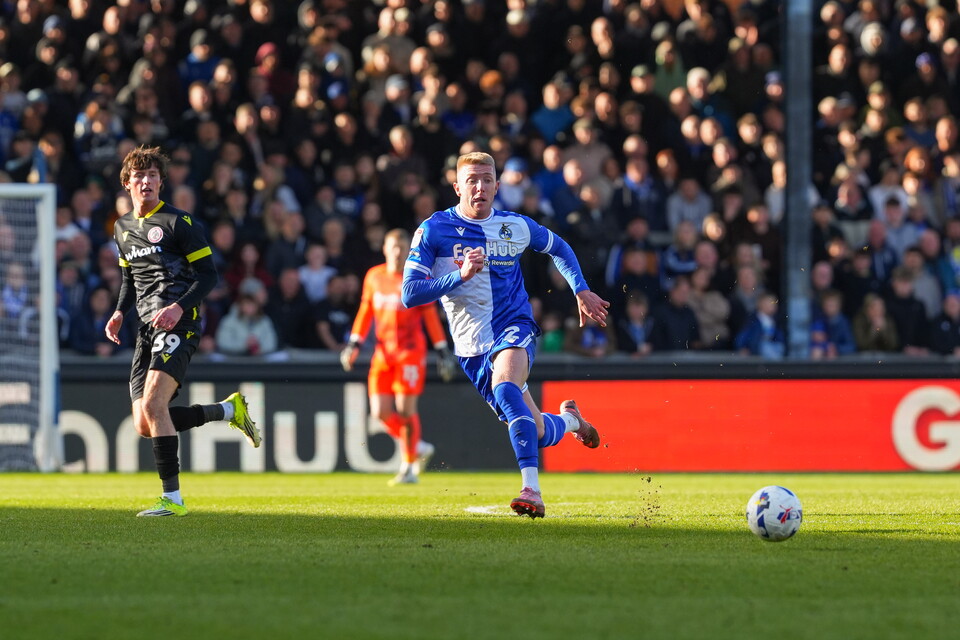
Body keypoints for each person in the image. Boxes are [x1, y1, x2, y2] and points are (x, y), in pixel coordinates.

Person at [401, 152, 609, 518]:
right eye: (471, 180)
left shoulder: (516, 226)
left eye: (486, 179)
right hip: (470, 348)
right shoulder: (434, 230)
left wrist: (580, 288)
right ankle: (574, 420)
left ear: (498, 185)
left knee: (506, 388)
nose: (479, 187)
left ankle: (532, 489)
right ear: (457, 187)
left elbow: (558, 247)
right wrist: (458, 277)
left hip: (515, 327)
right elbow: (410, 293)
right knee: (540, 431)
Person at [105, 146, 261, 518]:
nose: (147, 181)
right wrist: (117, 312)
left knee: (155, 405)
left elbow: (209, 276)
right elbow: (130, 279)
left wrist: (178, 307)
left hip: (181, 320)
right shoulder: (122, 228)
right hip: (146, 329)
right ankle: (227, 411)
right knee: (145, 423)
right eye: (140, 176)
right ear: (127, 183)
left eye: (153, 176)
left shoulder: (179, 223)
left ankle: (172, 500)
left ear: (161, 182)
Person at [341, 228, 456, 485]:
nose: (397, 253)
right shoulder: (374, 276)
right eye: (393, 247)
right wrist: (353, 344)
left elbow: (429, 316)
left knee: (405, 411)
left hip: (409, 352)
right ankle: (418, 447)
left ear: (408, 251)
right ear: (384, 249)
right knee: (379, 412)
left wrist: (441, 349)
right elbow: (365, 311)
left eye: (402, 248)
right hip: (383, 352)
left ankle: (408, 465)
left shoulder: (415, 277)